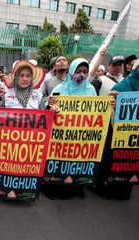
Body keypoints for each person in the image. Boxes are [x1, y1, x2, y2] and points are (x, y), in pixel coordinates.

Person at [92, 56, 139, 201]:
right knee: (112, 160)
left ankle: (124, 190)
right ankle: (106, 188)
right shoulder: (121, 86)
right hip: (116, 130)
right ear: (134, 68)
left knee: (130, 161)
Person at [44, 58, 97, 200]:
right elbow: (48, 108)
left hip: (81, 135)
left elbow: (96, 111)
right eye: (78, 71)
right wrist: (51, 107)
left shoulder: (91, 90)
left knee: (77, 161)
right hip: (61, 134)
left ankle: (77, 188)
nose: (81, 74)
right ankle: (54, 189)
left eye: (85, 72)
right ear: (71, 71)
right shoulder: (60, 89)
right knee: (59, 161)